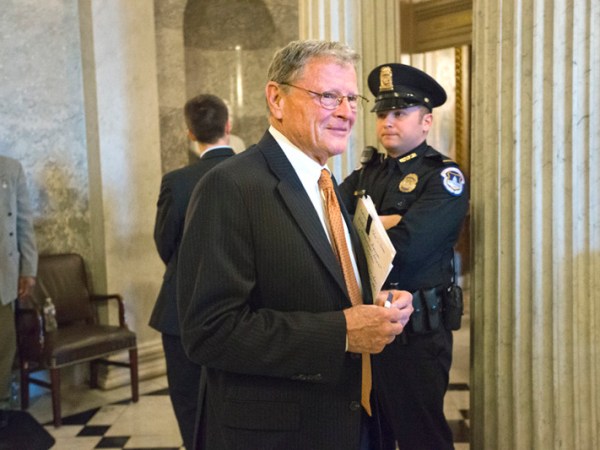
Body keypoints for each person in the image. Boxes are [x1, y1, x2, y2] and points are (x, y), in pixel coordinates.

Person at [176, 40, 414, 450]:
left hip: (350, 419)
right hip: (280, 434)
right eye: (328, 96)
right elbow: (209, 332)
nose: (346, 112)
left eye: (351, 98)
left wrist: (377, 302)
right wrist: (341, 333)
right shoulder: (230, 186)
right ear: (277, 99)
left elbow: (330, 286)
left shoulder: (326, 183)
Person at [339, 63, 469, 450]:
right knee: (370, 433)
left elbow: (407, 250)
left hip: (418, 334)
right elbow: (329, 224)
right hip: (368, 323)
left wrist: (367, 225)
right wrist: (386, 222)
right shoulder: (369, 173)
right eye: (382, 114)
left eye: (399, 113)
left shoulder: (442, 177)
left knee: (421, 435)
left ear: (426, 121)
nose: (388, 122)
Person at [149, 94, 235, 449]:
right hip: (242, 307)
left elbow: (164, 242)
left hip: (180, 309)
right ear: (228, 125)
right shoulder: (255, 172)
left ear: (189, 133)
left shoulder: (177, 181)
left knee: (188, 401)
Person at [0, 155, 38, 428]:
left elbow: (24, 222)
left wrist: (28, 269)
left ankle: (1, 404)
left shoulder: (10, 168)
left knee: (3, 344)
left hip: (3, 272)